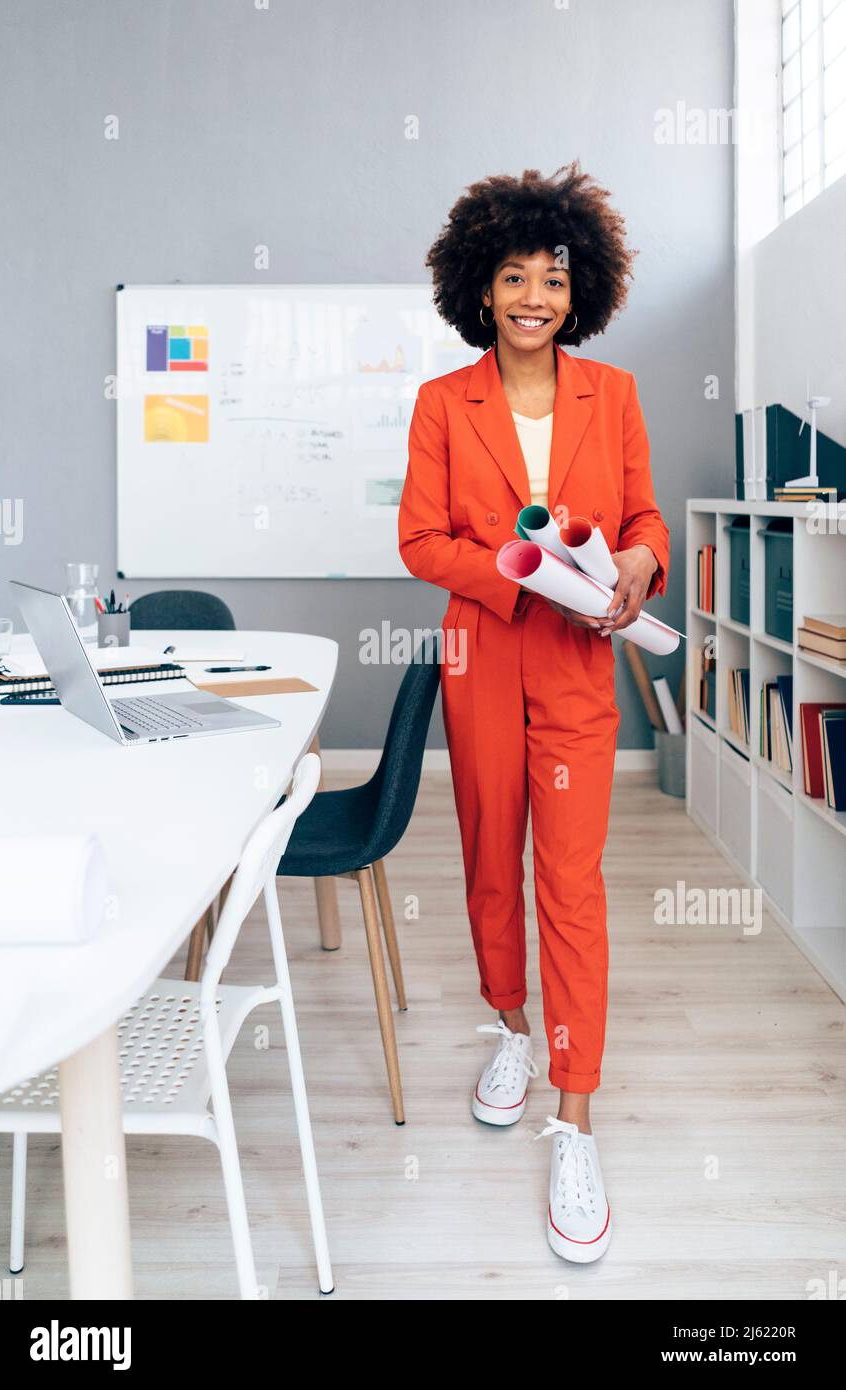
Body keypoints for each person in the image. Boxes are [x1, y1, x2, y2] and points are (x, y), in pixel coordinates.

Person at [398, 163, 670, 1263]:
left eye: (549, 280)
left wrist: (641, 562)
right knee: (487, 870)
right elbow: (419, 540)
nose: (529, 297)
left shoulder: (614, 395)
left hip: (574, 673)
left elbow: (644, 512)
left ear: (578, 290)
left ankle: (576, 1113)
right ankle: (507, 1027)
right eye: (510, 277)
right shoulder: (439, 404)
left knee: (569, 883)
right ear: (479, 287)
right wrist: (519, 574)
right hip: (482, 657)